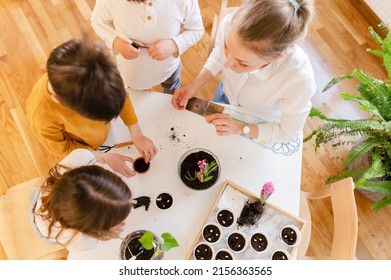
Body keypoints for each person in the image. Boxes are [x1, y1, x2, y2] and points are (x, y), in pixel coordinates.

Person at [172, 0, 316, 145]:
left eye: (243, 63)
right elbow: (218, 55)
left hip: (259, 122)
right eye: (227, 47)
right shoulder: (230, 23)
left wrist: (241, 128)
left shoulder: (299, 78)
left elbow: (287, 134)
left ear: (274, 58)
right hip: (225, 95)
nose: (227, 65)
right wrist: (193, 87)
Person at [26, 38, 158, 178]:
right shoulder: (41, 117)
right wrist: (103, 158)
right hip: (85, 147)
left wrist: (136, 133)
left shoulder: (98, 68)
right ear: (58, 101)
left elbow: (121, 95)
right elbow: (63, 148)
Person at [90, 0, 204, 94]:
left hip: (169, 69)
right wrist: (117, 42)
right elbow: (97, 21)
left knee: (172, 92)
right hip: (133, 74)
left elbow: (196, 30)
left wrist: (174, 45)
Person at [30, 149, 133, 252]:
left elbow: (88, 154)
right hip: (47, 231)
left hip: (42, 198)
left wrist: (109, 158)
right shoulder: (84, 241)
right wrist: (107, 231)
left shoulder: (79, 157)